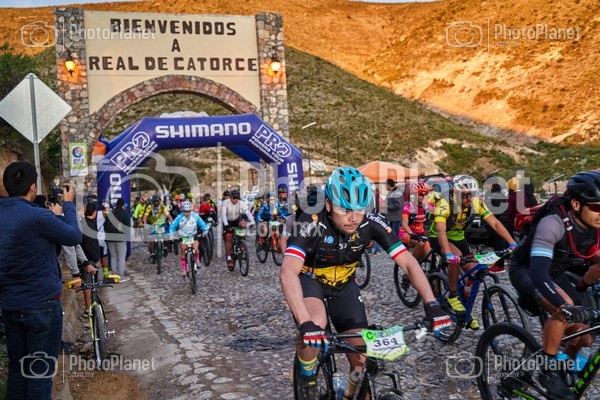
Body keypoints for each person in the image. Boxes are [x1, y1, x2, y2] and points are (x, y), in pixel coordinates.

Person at [279, 167, 451, 398]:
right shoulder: (310, 220)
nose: (353, 218)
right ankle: (307, 376)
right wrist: (305, 323)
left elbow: (409, 262)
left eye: (359, 210)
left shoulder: (370, 222)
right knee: (315, 325)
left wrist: (432, 303)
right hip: (310, 279)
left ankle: (352, 393)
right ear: (328, 205)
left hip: (344, 284)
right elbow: (288, 272)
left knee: (360, 360)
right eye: (344, 210)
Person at [509, 171, 600, 400]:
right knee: (565, 309)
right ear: (577, 204)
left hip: (555, 272)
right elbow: (538, 272)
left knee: (584, 337)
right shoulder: (553, 223)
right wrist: (562, 305)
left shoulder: (593, 221)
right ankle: (548, 371)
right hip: (528, 270)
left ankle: (563, 369)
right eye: (597, 207)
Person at [0, 161, 82, 399]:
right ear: (33, 187)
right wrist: (68, 204)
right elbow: (74, 236)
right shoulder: (39, 216)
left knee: (17, 371)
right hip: (42, 305)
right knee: (39, 374)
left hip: (10, 304)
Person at [428, 174, 517, 330]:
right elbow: (441, 230)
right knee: (456, 257)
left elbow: (495, 223)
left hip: (459, 238)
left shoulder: (476, 203)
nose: (469, 198)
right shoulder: (444, 203)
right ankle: (453, 295)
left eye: (472, 194)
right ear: (455, 194)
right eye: (465, 195)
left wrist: (512, 243)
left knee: (476, 270)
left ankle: (465, 303)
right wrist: (448, 254)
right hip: (439, 237)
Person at [169, 200, 208, 277]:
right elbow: (172, 226)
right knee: (183, 252)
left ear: (191, 210)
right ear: (182, 210)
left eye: (188, 211)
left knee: (196, 249)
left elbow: (202, 223)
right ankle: (184, 269)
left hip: (193, 235)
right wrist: (171, 234)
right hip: (183, 236)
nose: (187, 213)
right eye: (185, 211)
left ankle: (197, 259)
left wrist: (205, 229)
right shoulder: (179, 217)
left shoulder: (195, 216)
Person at [398, 182, 433, 262]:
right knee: (420, 244)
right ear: (415, 195)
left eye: (426, 194)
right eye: (421, 194)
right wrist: (411, 234)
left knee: (429, 254)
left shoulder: (429, 206)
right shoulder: (408, 207)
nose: (424, 197)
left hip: (420, 233)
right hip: (406, 232)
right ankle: (412, 264)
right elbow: (404, 223)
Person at [221, 189, 254, 270]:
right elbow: (223, 215)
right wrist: (226, 225)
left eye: (236, 198)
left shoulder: (241, 203)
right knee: (229, 237)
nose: (235, 200)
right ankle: (229, 258)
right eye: (233, 198)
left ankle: (241, 241)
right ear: (230, 197)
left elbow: (248, 213)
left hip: (236, 220)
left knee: (243, 224)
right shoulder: (225, 203)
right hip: (227, 221)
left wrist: (253, 222)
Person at [484, 182, 510, 272]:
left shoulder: (495, 196)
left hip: (496, 224)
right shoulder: (499, 195)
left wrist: (491, 222)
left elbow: (495, 212)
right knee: (499, 245)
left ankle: (499, 265)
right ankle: (499, 263)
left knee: (498, 245)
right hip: (499, 223)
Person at [104, 198, 130, 281]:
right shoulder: (125, 214)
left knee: (113, 256)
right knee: (121, 257)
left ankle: (114, 275)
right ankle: (121, 276)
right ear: (123, 205)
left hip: (110, 238)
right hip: (120, 238)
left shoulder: (110, 213)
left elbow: (105, 226)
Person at [142, 194, 173, 260]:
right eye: (155, 201)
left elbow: (169, 216)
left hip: (162, 224)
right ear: (152, 201)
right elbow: (145, 216)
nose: (156, 202)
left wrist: (172, 223)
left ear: (159, 201)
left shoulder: (163, 207)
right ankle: (153, 253)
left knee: (166, 237)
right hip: (153, 225)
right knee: (152, 239)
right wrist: (145, 224)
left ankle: (165, 247)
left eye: (157, 201)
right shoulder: (149, 207)